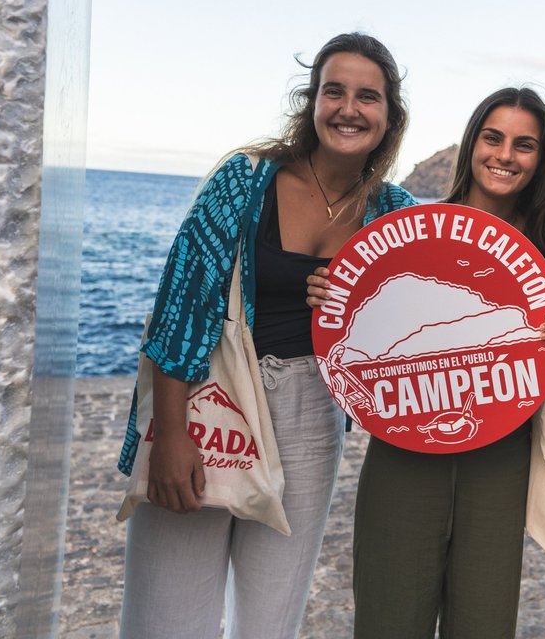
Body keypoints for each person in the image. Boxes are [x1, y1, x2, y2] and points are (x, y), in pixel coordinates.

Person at [116, 32, 417, 639]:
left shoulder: (394, 212)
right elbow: (180, 305)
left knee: (270, 620)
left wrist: (359, 310)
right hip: (212, 397)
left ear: (389, 118)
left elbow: (422, 328)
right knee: (166, 616)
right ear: (312, 102)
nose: (349, 109)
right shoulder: (244, 180)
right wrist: (171, 435)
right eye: (334, 91)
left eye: (368, 97)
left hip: (313, 412)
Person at [307, 87, 545, 638]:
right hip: (403, 452)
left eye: (524, 144)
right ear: (471, 144)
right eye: (493, 137)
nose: (505, 155)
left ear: (542, 158)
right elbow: (357, 322)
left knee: (483, 622)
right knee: (389, 618)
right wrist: (331, 294)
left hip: (501, 457)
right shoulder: (409, 229)